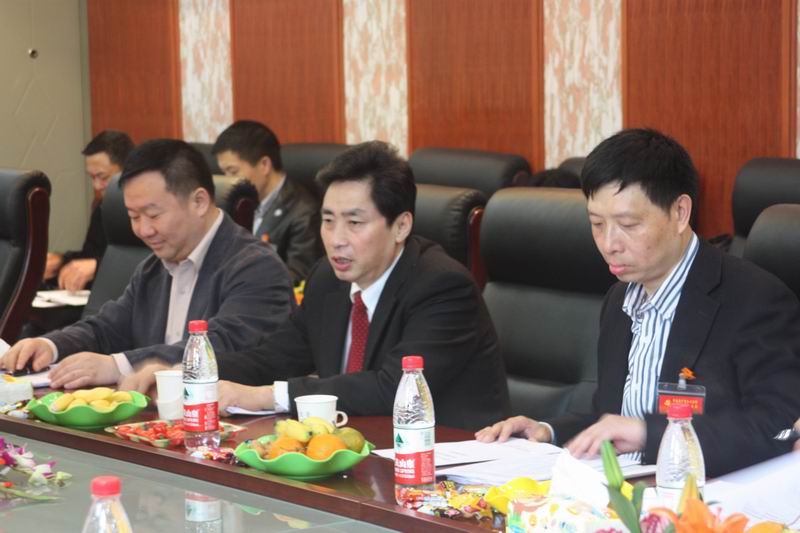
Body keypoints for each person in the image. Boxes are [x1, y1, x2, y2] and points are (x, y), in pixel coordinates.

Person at [476, 128, 800, 476]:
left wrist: (650, 433)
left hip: (702, 494)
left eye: (628, 224)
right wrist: (547, 431)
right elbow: (615, 420)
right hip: (619, 490)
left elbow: (780, 426)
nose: (609, 244)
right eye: (597, 224)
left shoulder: (754, 299)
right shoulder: (620, 299)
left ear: (680, 212)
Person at [124, 141, 511, 431]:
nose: (336, 239)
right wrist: (184, 372)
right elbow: (275, 357)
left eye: (354, 223)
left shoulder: (442, 286)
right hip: (349, 453)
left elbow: (392, 389)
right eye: (328, 221)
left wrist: (266, 396)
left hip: (446, 463)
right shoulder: (328, 279)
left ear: (401, 226)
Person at [0, 139, 295, 389]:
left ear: (199, 202)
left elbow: (220, 347)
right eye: (133, 216)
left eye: (153, 215)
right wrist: (50, 346)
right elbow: (107, 328)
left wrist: (117, 366)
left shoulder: (256, 267)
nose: (142, 230)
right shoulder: (153, 267)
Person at [212, 120, 320, 285]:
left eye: (233, 171)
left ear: (264, 165)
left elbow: (298, 277)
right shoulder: (233, 202)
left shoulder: (303, 212)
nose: (228, 180)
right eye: (223, 173)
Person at [44, 130, 135, 291]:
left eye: (103, 177)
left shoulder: (150, 213)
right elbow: (90, 256)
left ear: (127, 171)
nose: (96, 186)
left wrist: (97, 267)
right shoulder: (103, 207)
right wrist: (61, 261)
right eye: (92, 177)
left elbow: (154, 263)